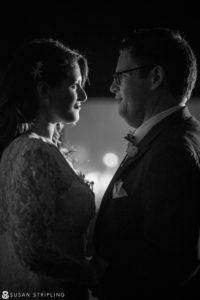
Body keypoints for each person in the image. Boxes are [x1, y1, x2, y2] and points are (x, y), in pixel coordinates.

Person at [92, 28, 200, 299]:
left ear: (155, 77)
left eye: (120, 77)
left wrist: (97, 273)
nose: (112, 87)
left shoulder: (171, 153)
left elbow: (167, 270)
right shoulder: (179, 134)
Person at [0, 38, 97, 300]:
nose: (84, 97)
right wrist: (95, 275)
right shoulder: (34, 152)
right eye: (75, 86)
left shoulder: (35, 149)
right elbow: (34, 251)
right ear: (44, 91)